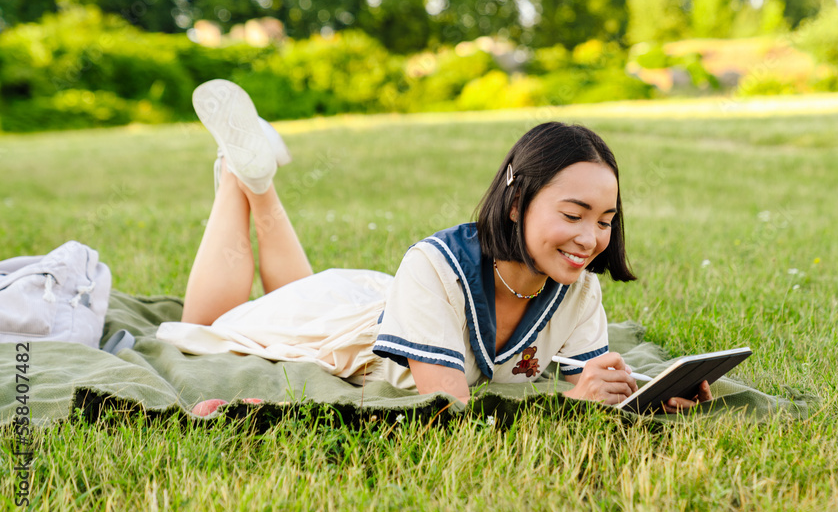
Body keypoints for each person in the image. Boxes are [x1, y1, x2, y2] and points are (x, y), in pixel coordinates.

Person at [158, 80, 712, 413]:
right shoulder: (436, 264)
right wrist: (569, 408)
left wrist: (645, 394)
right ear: (517, 203)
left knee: (291, 286)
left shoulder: (577, 289)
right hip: (339, 325)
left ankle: (256, 171)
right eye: (573, 215)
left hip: (386, 299)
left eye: (606, 220)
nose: (591, 239)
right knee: (207, 322)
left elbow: (582, 382)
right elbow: (448, 408)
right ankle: (240, 173)